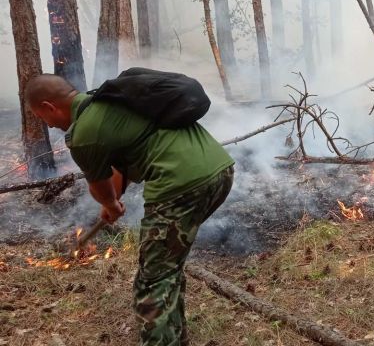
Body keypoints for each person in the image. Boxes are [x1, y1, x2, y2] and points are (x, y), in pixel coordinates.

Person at [25, 74, 235, 345]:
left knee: (152, 282)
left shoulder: (84, 133)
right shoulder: (112, 101)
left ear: (49, 106)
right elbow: (119, 170)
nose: (49, 125)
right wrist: (111, 203)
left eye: (44, 118)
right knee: (165, 268)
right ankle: (175, 337)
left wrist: (109, 204)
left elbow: (101, 187)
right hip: (220, 171)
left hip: (181, 184)